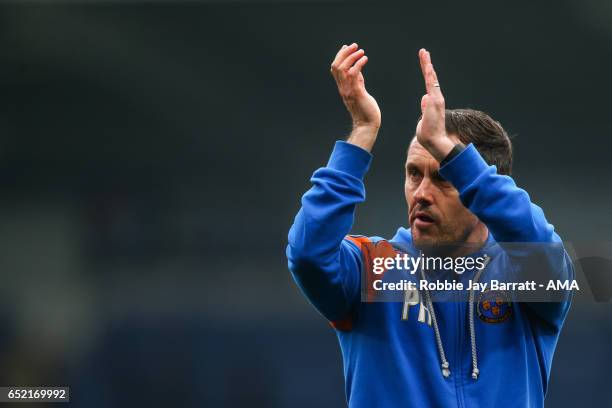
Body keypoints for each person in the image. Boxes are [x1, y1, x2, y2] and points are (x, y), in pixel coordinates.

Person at [286, 43, 573, 407]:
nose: (421, 193)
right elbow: (308, 254)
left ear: (479, 186)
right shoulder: (370, 269)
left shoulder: (524, 278)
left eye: (443, 177)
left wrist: (451, 153)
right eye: (412, 174)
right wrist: (362, 130)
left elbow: (543, 251)